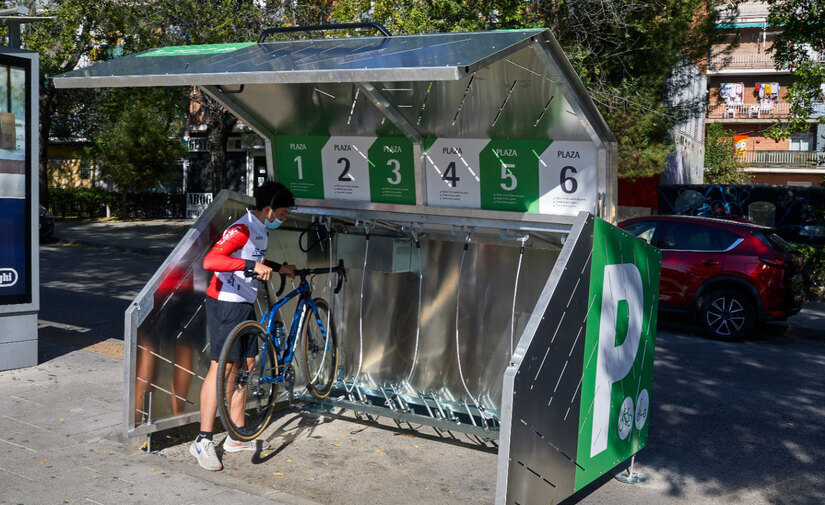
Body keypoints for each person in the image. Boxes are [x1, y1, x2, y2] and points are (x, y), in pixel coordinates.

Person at [190, 181, 296, 471]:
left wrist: (275, 267)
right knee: (221, 368)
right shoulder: (243, 228)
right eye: (283, 214)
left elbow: (251, 258)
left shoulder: (260, 228)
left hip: (243, 302)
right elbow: (213, 259)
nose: (284, 219)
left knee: (247, 365)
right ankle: (202, 440)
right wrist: (251, 268)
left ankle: (235, 436)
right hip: (226, 302)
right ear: (268, 209)